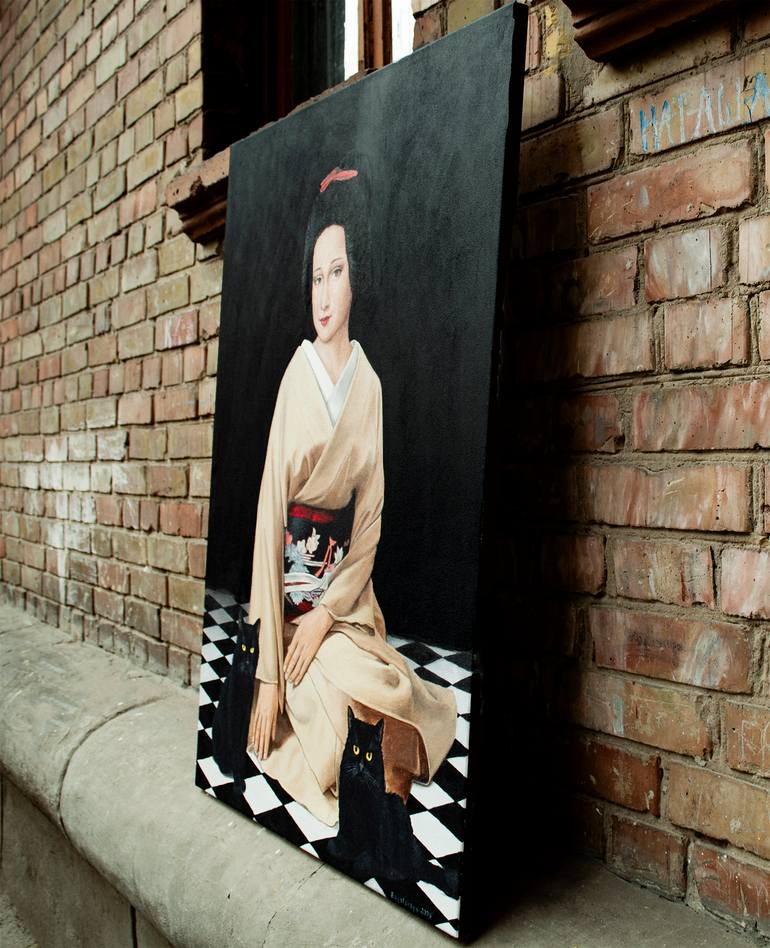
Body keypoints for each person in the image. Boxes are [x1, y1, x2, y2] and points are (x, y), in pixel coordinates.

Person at [245, 162, 457, 826]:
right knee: (329, 709)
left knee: (385, 682)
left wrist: (328, 613)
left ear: (357, 278)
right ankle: (372, 754)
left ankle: (382, 740)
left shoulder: (369, 385)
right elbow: (270, 518)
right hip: (290, 604)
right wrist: (270, 673)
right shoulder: (295, 378)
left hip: (341, 602)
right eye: (316, 276)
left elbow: (368, 524)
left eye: (336, 272)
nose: (324, 293)